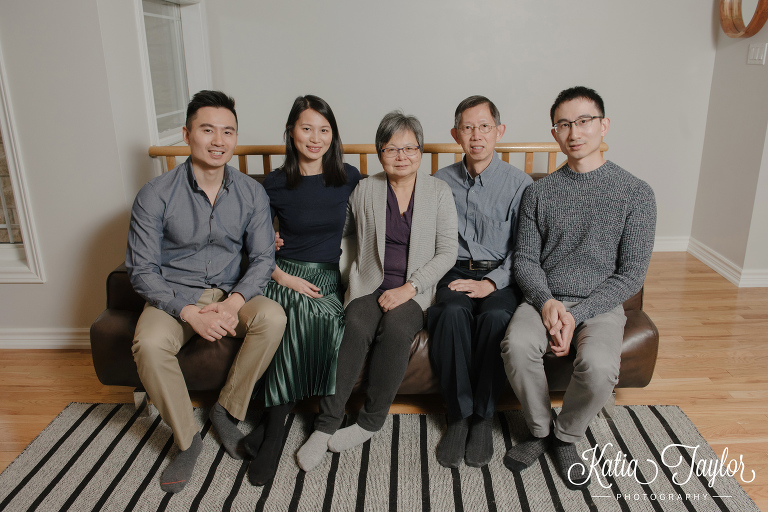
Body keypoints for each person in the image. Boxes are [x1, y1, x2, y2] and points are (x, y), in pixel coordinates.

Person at [126, 90, 286, 493]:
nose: (218, 140)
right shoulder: (155, 194)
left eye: (228, 131)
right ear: (187, 134)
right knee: (148, 344)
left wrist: (234, 302)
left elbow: (263, 258)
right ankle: (187, 440)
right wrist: (187, 312)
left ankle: (226, 412)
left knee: (273, 317)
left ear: (236, 138)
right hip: (175, 296)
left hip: (232, 291)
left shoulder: (252, 192)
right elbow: (142, 270)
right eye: (207, 130)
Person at [500, 86, 656, 489]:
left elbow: (631, 274)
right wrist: (547, 302)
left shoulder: (636, 193)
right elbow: (526, 261)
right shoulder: (539, 192)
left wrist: (574, 314)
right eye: (564, 124)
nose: (575, 131)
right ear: (555, 133)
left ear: (603, 125)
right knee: (516, 346)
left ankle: (566, 434)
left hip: (600, 304)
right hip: (544, 298)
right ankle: (539, 431)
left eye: (584, 121)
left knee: (602, 366)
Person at [295, 111, 458, 471]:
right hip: (369, 282)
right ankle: (324, 426)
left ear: (421, 150)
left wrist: (410, 288)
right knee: (354, 324)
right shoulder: (366, 188)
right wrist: (290, 238)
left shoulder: (439, 192)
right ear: (379, 153)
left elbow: (448, 251)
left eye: (410, 148)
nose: (402, 156)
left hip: (414, 289)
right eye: (391, 149)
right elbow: (338, 229)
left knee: (398, 330)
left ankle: (371, 421)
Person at [239, 95, 360, 485]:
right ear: (291, 132)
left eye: (324, 130)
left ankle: (267, 429)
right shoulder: (272, 184)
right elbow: (251, 244)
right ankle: (275, 436)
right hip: (284, 276)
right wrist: (280, 275)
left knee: (330, 319)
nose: (315, 137)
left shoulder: (349, 176)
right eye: (306, 128)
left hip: (325, 277)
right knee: (297, 314)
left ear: (333, 135)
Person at [427, 96, 532, 468]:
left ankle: (483, 417)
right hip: (452, 269)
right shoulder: (439, 182)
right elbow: (428, 238)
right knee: (451, 314)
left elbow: (525, 248)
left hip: (501, 274)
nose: (476, 135)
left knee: (495, 319)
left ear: (498, 132)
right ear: (456, 134)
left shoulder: (520, 184)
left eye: (484, 127)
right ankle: (458, 416)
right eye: (468, 128)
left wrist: (492, 283)